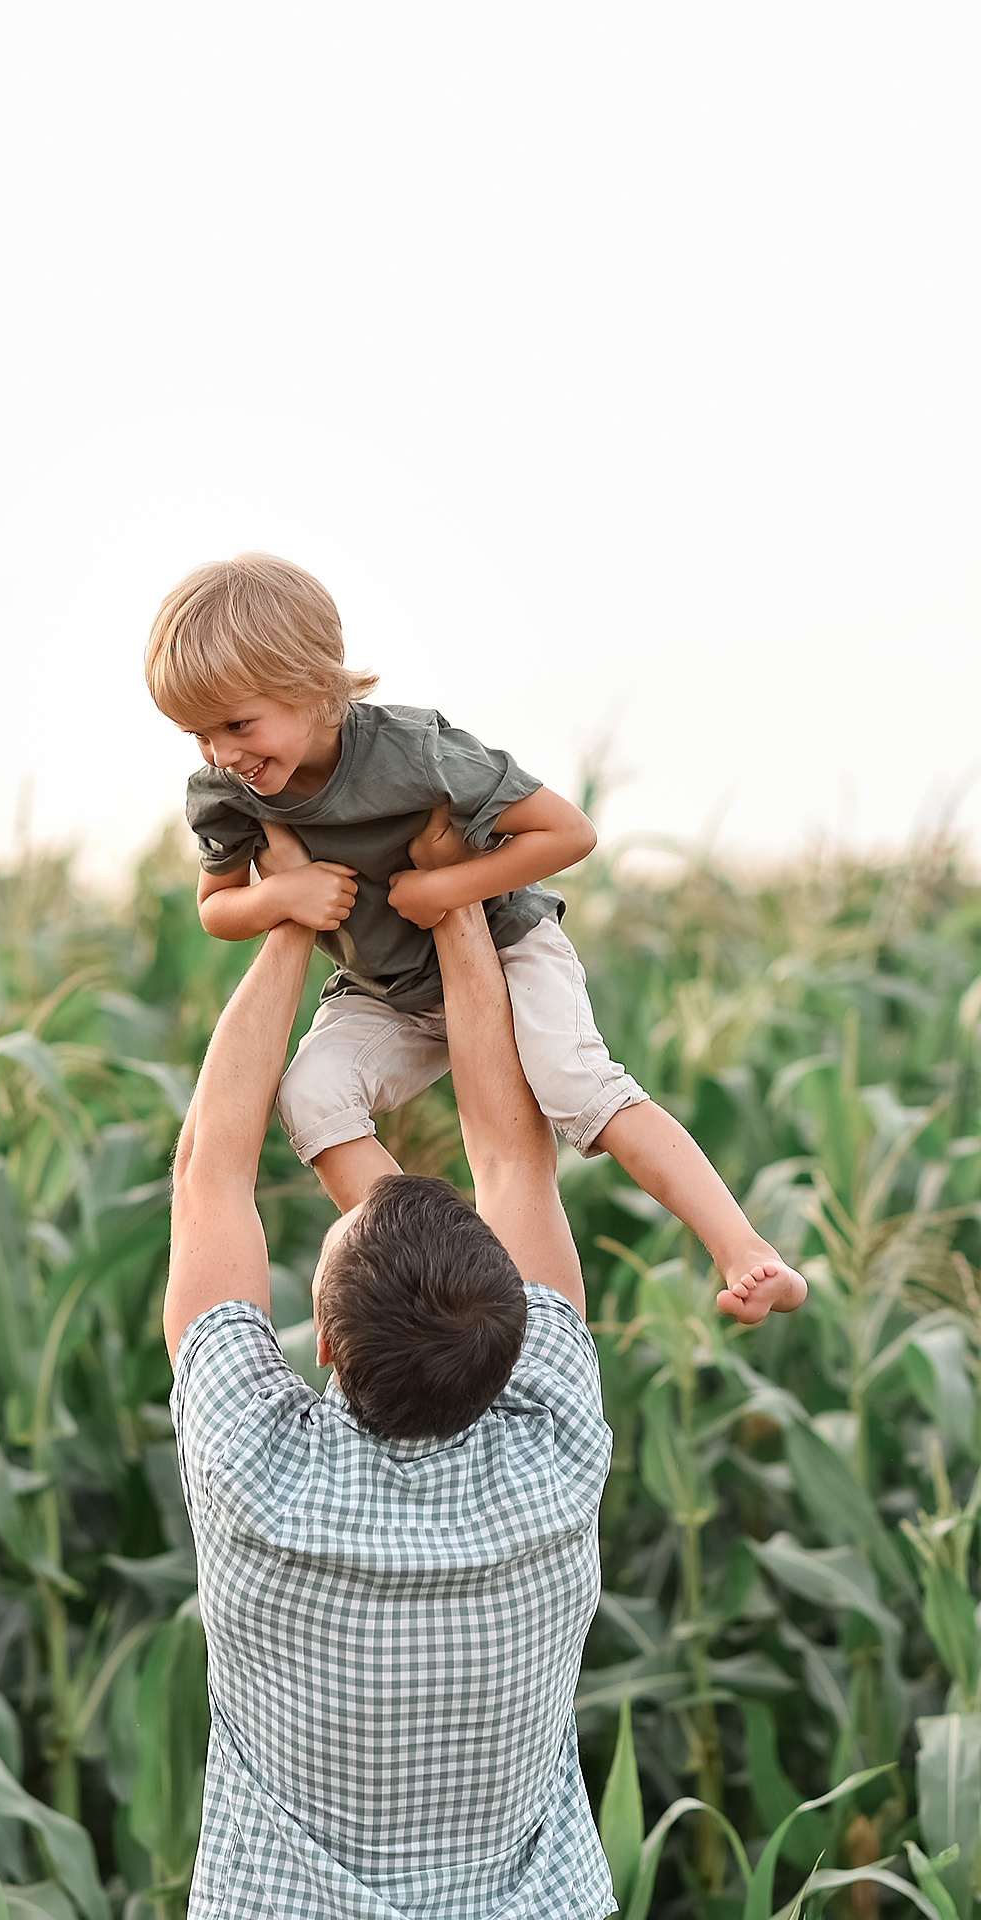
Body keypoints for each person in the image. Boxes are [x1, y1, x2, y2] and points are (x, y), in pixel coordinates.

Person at [147, 552, 803, 1324]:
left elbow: (567, 832)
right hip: (385, 989)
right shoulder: (226, 794)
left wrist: (444, 888)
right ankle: (441, 1273)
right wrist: (281, 896)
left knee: (576, 1082)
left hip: (507, 948)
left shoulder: (415, 752)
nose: (222, 754)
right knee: (311, 1095)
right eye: (197, 735)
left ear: (313, 685)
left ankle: (744, 1249)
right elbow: (218, 907)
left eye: (237, 725)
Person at [165, 813, 617, 1917]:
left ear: (323, 1343)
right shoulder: (557, 1452)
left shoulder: (251, 1472)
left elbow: (207, 1169)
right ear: (512, 1336)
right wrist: (457, 906)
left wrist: (288, 915)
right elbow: (513, 1158)